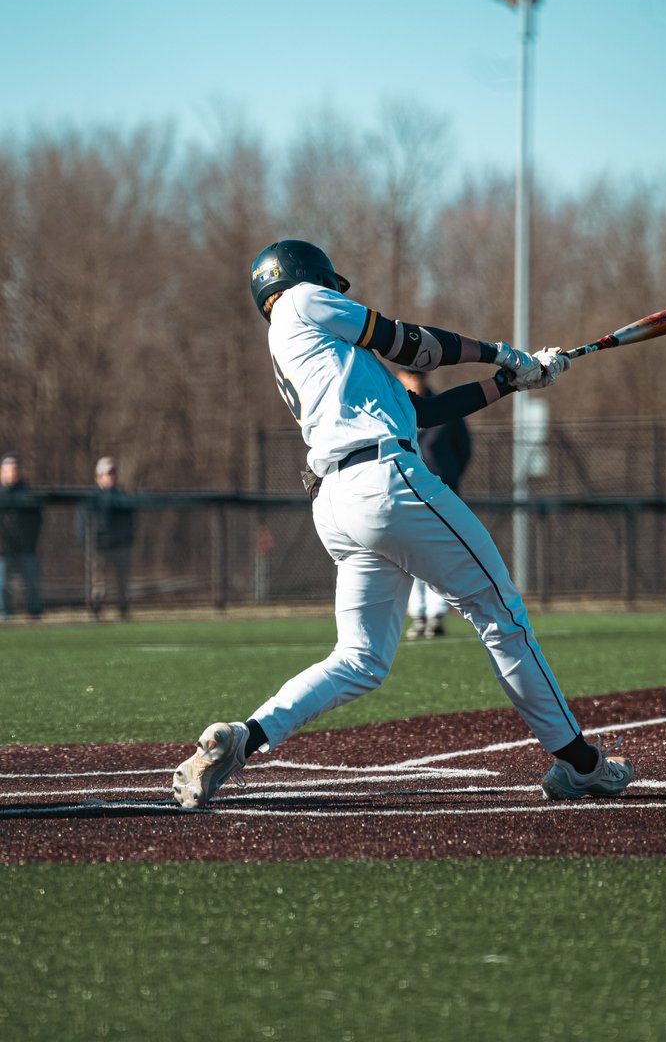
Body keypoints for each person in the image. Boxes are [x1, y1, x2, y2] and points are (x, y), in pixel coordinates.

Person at [173, 239, 634, 807]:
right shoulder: (301, 302)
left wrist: (514, 381)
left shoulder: (328, 358)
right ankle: (581, 764)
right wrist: (502, 352)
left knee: (360, 660)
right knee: (501, 612)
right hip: (382, 479)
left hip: (339, 500)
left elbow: (424, 412)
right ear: (303, 277)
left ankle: (243, 739)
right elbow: (411, 345)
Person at [396, 368, 472, 639]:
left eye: (418, 375)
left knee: (441, 557)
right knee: (411, 557)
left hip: (441, 493)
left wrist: (447, 477)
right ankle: (418, 615)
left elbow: (463, 449)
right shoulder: (392, 408)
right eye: (409, 374)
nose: (414, 380)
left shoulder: (443, 408)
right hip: (403, 494)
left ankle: (436, 615)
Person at [76, 457, 136, 620]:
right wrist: (87, 542)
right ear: (99, 476)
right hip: (98, 546)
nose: (112, 476)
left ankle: (123, 611)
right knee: (98, 583)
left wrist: (128, 539)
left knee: (122, 583)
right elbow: (81, 523)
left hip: (120, 546)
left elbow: (130, 521)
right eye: (108, 473)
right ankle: (96, 611)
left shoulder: (122, 496)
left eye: (114, 473)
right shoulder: (90, 497)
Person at [0, 452, 43, 621]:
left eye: (15, 469)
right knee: (1, 584)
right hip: (2, 549)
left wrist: (30, 540)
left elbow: (37, 520)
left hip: (26, 547)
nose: (12, 473)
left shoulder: (27, 493)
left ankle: (34, 614)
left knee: (31, 584)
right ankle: (3, 615)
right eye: (9, 469)